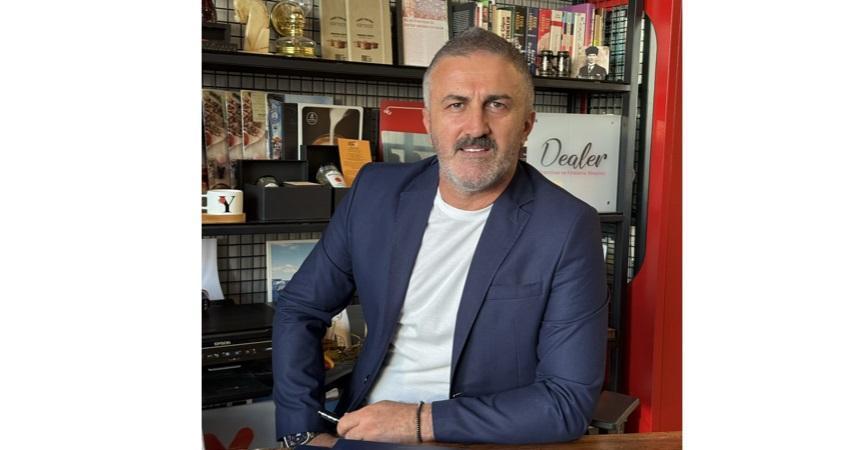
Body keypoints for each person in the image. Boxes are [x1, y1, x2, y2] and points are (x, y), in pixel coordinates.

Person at [272, 27, 608, 447]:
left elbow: (566, 402)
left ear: (527, 124)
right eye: (456, 104)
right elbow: (300, 307)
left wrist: (418, 421)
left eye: (497, 104)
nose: (476, 126)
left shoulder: (567, 226)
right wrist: (301, 431)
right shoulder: (375, 192)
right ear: (429, 121)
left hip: (484, 439)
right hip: (364, 430)